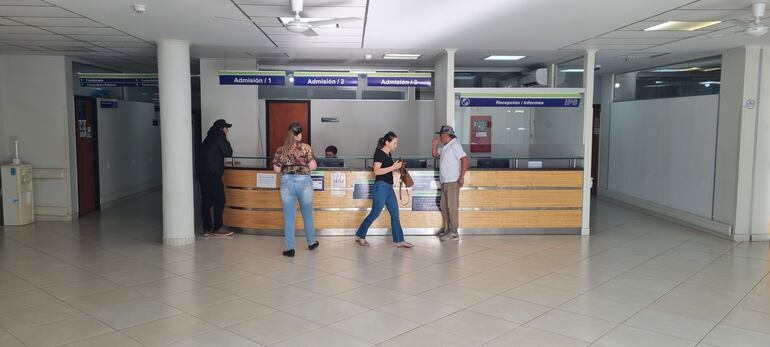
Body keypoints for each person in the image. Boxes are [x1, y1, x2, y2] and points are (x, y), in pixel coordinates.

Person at [354, 131, 414, 248]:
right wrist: (393, 167)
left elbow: (386, 170)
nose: (396, 146)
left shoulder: (388, 155)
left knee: (395, 214)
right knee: (375, 213)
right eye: (394, 143)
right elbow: (376, 171)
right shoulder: (379, 154)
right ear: (387, 142)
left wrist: (397, 168)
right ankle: (360, 235)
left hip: (389, 188)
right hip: (380, 187)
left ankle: (399, 240)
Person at [273, 122, 319, 257]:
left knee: (289, 217)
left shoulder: (281, 149)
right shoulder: (306, 148)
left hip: (287, 182)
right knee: (308, 215)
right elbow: (313, 166)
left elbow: (276, 170)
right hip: (304, 182)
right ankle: (311, 243)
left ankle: (290, 248)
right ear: (299, 135)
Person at [197, 119, 234, 237]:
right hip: (213, 175)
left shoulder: (207, 138)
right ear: (221, 128)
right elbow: (228, 152)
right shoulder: (219, 137)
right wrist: (226, 139)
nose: (227, 130)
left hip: (202, 175)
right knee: (220, 200)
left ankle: (206, 229)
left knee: (206, 201)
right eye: (226, 128)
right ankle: (218, 228)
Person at [432, 125, 468, 241]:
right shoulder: (446, 146)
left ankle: (454, 233)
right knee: (444, 206)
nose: (439, 137)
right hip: (445, 182)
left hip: (452, 182)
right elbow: (435, 155)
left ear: (446, 135)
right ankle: (448, 230)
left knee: (452, 208)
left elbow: (464, 159)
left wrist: (461, 177)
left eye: (441, 135)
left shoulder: (455, 145)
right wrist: (435, 145)